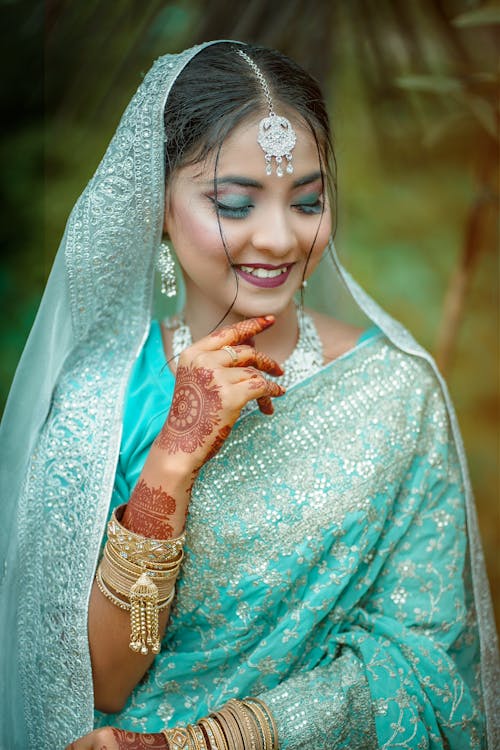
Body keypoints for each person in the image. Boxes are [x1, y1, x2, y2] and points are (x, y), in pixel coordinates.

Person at [0, 40, 497, 750]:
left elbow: (423, 664)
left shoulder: (393, 395)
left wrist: (215, 741)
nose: (279, 237)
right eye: (235, 202)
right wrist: (172, 459)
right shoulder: (98, 406)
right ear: (159, 209)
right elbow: (103, 681)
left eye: (307, 201)